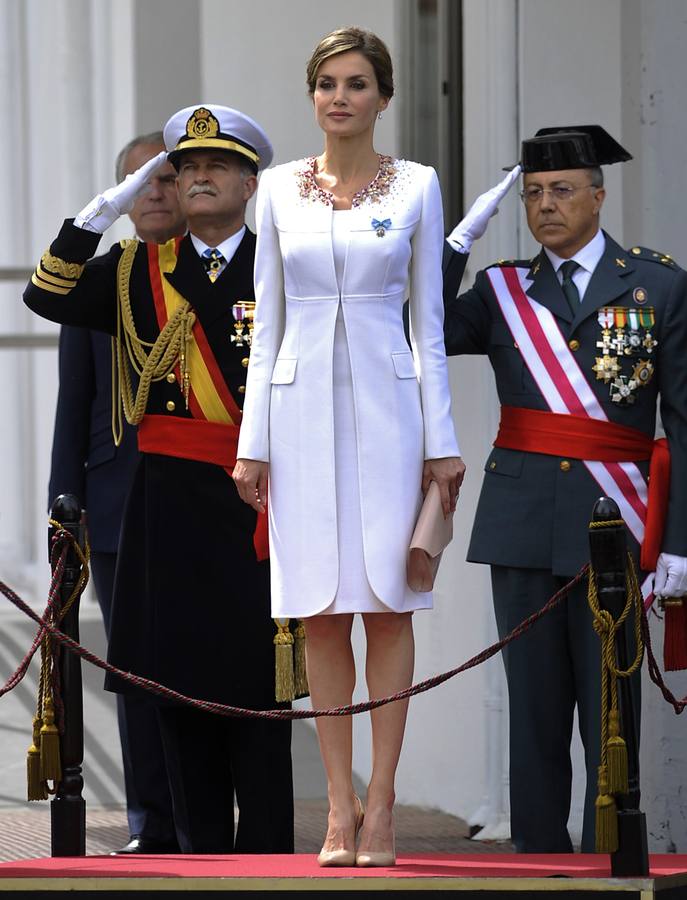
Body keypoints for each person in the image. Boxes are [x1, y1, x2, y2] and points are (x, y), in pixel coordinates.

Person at [25, 104, 294, 855]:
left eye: (215, 168)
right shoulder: (132, 271)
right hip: (165, 506)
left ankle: (270, 851)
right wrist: (106, 207)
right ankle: (201, 853)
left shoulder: (284, 258)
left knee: (257, 691)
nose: (196, 178)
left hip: (258, 498)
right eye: (184, 168)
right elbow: (45, 293)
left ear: (249, 184)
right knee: (173, 688)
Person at [233, 27, 463, 868]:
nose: (339, 97)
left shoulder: (418, 187)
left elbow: (428, 325)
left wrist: (441, 440)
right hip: (295, 418)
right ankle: (335, 803)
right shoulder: (274, 191)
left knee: (386, 604)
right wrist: (252, 444)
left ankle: (382, 801)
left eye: (357, 83)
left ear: (383, 96)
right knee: (320, 613)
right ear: (312, 95)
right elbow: (265, 328)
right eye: (326, 83)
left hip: (392, 411)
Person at [442, 125, 687, 852]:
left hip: (615, 526)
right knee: (534, 713)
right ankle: (538, 863)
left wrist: (677, 542)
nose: (545, 206)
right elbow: (407, 326)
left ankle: (610, 859)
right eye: (531, 196)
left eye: (561, 191)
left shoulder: (657, 284)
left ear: (597, 196)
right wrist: (452, 248)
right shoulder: (499, 290)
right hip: (519, 523)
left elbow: (682, 417)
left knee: (610, 707)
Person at [48, 131, 185, 855]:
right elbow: (76, 403)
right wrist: (62, 510)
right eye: (137, 184)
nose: (153, 194)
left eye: (165, 179)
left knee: (207, 666)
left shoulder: (213, 276)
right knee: (134, 673)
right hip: (116, 505)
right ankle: (150, 821)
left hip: (207, 500)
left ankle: (204, 820)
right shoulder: (99, 279)